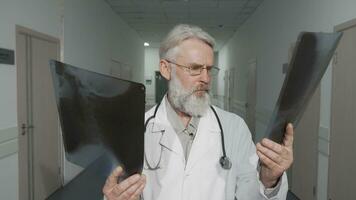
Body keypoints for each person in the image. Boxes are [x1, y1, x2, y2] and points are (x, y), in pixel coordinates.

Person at [103, 24, 294, 200]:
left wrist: (269, 180)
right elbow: (125, 191)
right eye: (194, 68)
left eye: (209, 69)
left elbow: (250, 195)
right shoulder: (137, 130)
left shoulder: (234, 128)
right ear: (166, 69)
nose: (205, 78)